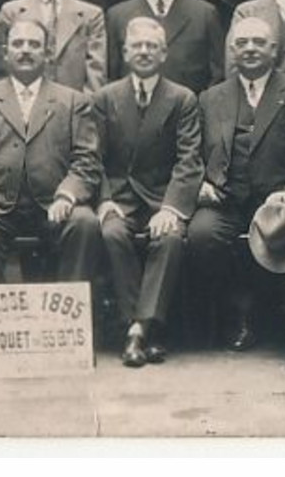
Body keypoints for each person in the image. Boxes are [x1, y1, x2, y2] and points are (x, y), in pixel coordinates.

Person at [188, 17, 285, 373]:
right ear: (232, 51)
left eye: (258, 43)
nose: (250, 49)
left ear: (274, 50)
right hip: (227, 198)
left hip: (279, 199)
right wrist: (201, 181)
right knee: (202, 235)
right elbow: (192, 151)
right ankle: (240, 311)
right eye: (243, 43)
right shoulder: (211, 97)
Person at [0, 20, 103, 284]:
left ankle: (68, 318)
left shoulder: (73, 101)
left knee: (84, 223)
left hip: (54, 203)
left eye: (34, 44)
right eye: (18, 44)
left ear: (47, 53)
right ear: (5, 52)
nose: (25, 50)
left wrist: (68, 196)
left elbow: (87, 160)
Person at [93, 18, 203, 367]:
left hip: (161, 197)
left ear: (164, 53)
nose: (144, 52)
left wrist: (171, 208)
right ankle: (146, 327)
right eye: (137, 46)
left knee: (169, 239)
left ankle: (137, 330)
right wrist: (105, 199)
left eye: (151, 46)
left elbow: (189, 160)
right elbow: (91, 157)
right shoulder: (105, 98)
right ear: (125, 53)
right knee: (111, 233)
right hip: (121, 197)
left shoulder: (182, 98)